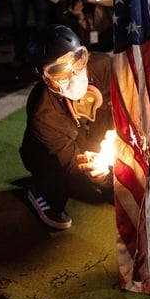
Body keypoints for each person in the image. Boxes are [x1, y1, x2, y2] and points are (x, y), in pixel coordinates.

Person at [19, 24, 115, 230]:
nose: (73, 74)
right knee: (67, 184)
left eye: (78, 60)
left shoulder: (103, 67)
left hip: (93, 137)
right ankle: (41, 190)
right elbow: (71, 164)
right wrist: (97, 174)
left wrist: (111, 177)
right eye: (59, 71)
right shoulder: (43, 114)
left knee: (115, 189)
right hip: (55, 155)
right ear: (42, 75)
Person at [45, 0, 114, 52]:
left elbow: (113, 0)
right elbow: (89, 38)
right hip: (103, 38)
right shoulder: (66, 14)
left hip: (113, 19)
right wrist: (79, 16)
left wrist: (93, 0)